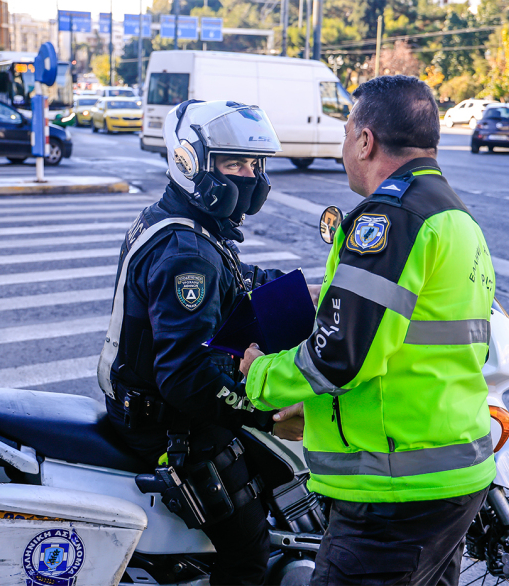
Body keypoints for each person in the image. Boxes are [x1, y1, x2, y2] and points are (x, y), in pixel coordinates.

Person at [239, 75, 497, 585]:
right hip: (448, 473)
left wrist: (258, 375)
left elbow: (340, 356)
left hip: (393, 494)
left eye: (345, 134)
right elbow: (409, 333)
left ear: (365, 139)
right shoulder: (452, 213)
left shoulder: (390, 215)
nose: (343, 149)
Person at [97, 100, 301, 585]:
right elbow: (187, 377)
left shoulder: (181, 221)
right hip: (168, 425)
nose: (249, 175)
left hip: (144, 404)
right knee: (248, 549)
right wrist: (268, 414)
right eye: (234, 164)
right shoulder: (185, 252)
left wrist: (304, 297)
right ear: (190, 162)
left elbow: (235, 280)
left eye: (254, 164)